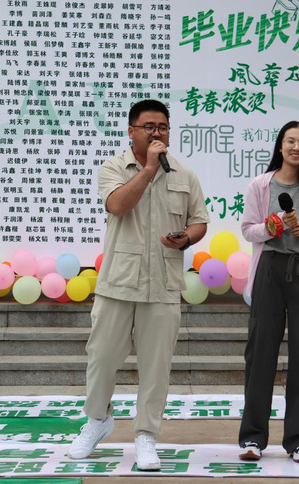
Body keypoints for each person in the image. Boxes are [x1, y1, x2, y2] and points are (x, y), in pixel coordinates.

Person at [67, 99, 209, 470]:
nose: (157, 133)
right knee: (101, 358)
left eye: (163, 127)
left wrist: (186, 238)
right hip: (118, 282)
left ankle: (146, 435)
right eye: (149, 127)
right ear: (131, 131)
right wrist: (148, 169)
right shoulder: (113, 168)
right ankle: (97, 420)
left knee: (156, 366)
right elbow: (117, 205)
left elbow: (199, 221)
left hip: (162, 284)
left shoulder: (185, 175)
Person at [237, 121, 299, 464]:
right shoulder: (260, 185)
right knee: (260, 353)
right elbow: (248, 230)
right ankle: (252, 438)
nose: (297, 147)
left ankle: (298, 439)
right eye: (291, 141)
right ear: (280, 146)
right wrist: (270, 227)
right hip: (269, 270)